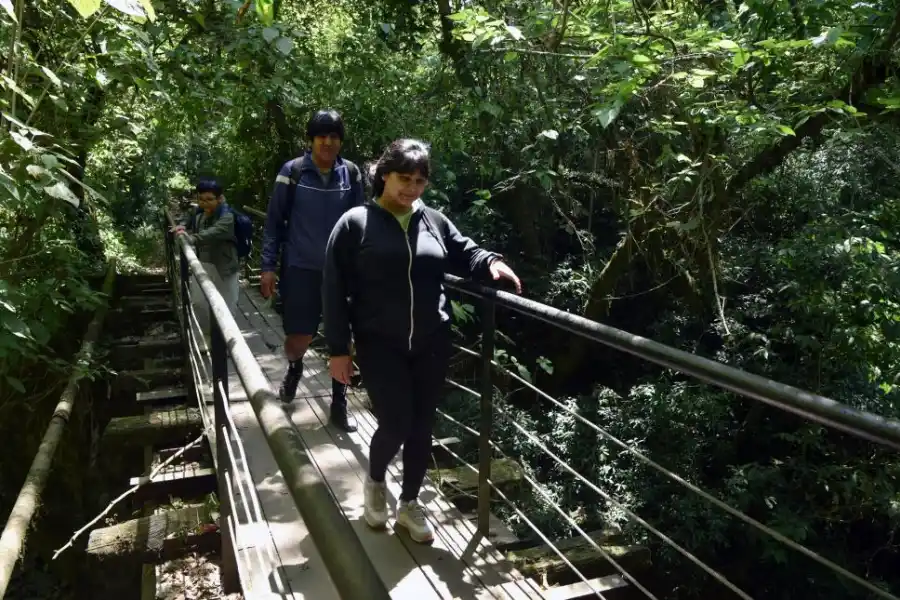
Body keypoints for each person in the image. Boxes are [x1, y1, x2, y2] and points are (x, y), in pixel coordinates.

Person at [323, 139, 522, 543]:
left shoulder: (434, 220)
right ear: (383, 175)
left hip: (431, 342)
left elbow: (465, 252)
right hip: (380, 343)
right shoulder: (355, 223)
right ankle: (375, 482)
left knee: (421, 428)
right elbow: (332, 288)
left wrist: (492, 262)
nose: (412, 189)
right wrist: (338, 350)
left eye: (419, 181)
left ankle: (409, 503)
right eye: (404, 179)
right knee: (395, 423)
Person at [260, 109, 364, 432]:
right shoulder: (292, 172)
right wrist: (267, 267)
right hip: (299, 268)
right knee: (298, 338)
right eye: (322, 136)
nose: (328, 142)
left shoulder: (351, 174)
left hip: (340, 274)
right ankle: (295, 367)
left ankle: (339, 404)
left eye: (334, 137)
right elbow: (274, 222)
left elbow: (360, 223)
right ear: (311, 139)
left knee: (340, 339)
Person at [172, 179, 240, 338]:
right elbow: (187, 217)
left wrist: (193, 238)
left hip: (225, 266)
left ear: (220, 199)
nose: (205, 203)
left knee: (227, 306)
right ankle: (209, 336)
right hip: (202, 264)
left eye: (210, 199)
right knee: (199, 303)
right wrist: (182, 225)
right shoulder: (198, 214)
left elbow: (216, 231)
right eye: (201, 199)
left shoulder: (227, 216)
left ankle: (227, 342)